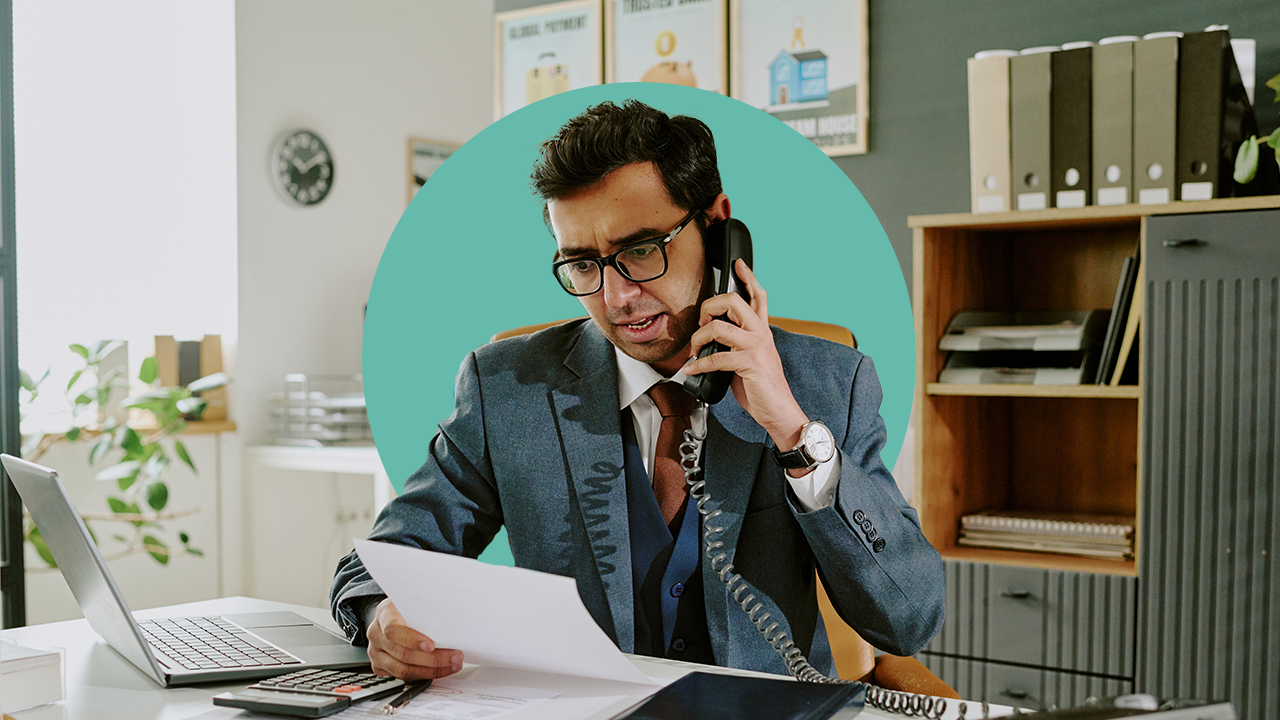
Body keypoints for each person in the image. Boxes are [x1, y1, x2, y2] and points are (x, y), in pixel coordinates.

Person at [330, 99, 944, 681]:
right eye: (582, 264)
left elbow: (909, 617)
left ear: (719, 226)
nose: (617, 296)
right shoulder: (507, 388)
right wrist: (383, 613)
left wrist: (791, 431)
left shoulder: (830, 384)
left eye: (642, 250)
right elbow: (380, 560)